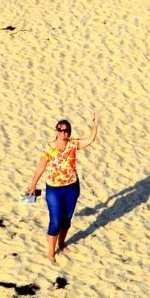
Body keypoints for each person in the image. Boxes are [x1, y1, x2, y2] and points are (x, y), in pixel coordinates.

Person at [27, 112, 99, 262]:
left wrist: (94, 125)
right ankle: (51, 253)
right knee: (55, 221)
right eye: (60, 130)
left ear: (69, 133)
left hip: (72, 187)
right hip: (54, 189)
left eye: (66, 130)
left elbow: (91, 139)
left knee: (66, 219)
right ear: (56, 131)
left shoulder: (73, 145)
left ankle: (61, 243)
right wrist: (33, 185)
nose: (63, 133)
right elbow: (41, 166)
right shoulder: (48, 148)